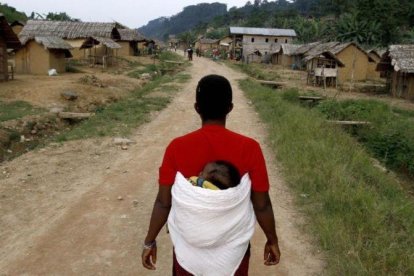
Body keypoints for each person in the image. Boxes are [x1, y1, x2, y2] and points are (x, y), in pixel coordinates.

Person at [142, 74, 281, 275]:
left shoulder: (177, 147)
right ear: (230, 108)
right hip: (233, 256)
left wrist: (149, 241)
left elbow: (164, 203)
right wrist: (272, 240)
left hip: (187, 255)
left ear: (197, 108)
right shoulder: (249, 148)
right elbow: (262, 204)